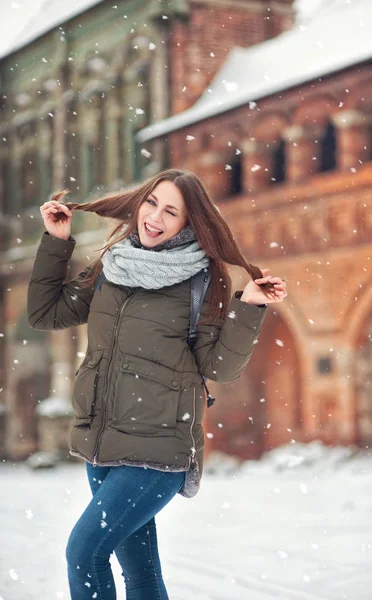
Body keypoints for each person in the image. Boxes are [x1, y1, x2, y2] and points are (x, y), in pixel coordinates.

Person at [27, 168, 288, 599]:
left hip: (158, 451)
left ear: (189, 223)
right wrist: (56, 242)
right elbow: (45, 314)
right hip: (103, 445)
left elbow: (218, 365)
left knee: (83, 552)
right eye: (151, 203)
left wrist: (251, 306)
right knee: (141, 572)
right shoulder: (112, 266)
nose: (155, 217)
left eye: (172, 212)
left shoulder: (201, 282)